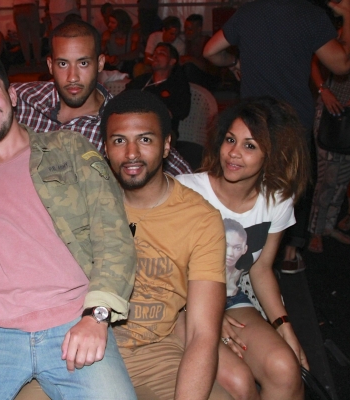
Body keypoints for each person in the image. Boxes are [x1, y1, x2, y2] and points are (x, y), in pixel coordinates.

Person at [0, 48, 137, 399]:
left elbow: (114, 237)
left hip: (73, 321)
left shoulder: (68, 149)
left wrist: (96, 316)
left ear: (12, 95)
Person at [203, 0, 350, 273]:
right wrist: (348, 17)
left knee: (253, 187)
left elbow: (211, 51)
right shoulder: (310, 14)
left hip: (254, 123)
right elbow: (342, 64)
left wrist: (235, 62)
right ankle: (288, 252)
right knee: (289, 190)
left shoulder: (248, 12)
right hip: (291, 122)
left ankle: (244, 253)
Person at [177, 97, 311, 399]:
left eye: (249, 145)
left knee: (286, 368)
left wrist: (284, 327)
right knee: (239, 382)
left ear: (271, 154)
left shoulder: (277, 200)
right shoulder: (186, 190)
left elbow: (261, 269)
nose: (234, 153)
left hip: (231, 299)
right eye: (230, 140)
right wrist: (202, 312)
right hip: (179, 302)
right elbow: (161, 269)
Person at [103, 90, 227, 400]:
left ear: (167, 144)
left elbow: (202, 333)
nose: (131, 153)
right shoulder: (86, 200)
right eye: (119, 140)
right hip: (83, 346)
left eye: (145, 139)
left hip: (155, 354)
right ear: (105, 147)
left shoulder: (200, 219)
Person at [12, 20, 192, 177]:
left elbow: (184, 177)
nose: (72, 77)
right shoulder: (21, 99)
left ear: (100, 64)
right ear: (50, 65)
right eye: (63, 64)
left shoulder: (119, 121)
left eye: (83, 63)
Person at [308, 0, 350, 252]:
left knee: (343, 178)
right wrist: (323, 90)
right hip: (332, 112)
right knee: (327, 177)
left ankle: (328, 226)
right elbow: (313, 60)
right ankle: (315, 230)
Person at [127, 42, 191, 141]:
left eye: (161, 53)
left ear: (172, 61)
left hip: (161, 132)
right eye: (154, 53)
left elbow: (182, 110)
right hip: (133, 126)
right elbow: (123, 100)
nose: (155, 56)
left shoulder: (177, 84)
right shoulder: (141, 80)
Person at [181, 14, 218, 91]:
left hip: (210, 80)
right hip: (195, 78)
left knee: (189, 68)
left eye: (190, 30)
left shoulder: (209, 43)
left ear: (199, 29)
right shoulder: (188, 42)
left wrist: (191, 59)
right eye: (185, 29)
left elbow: (212, 70)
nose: (186, 32)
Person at [101, 9, 141, 76]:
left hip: (127, 66)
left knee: (131, 65)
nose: (109, 25)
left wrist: (119, 58)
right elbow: (99, 51)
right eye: (109, 22)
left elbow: (135, 54)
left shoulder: (133, 35)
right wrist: (106, 58)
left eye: (113, 23)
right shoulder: (107, 35)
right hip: (112, 66)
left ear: (121, 24)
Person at [13, 0, 42, 66]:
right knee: (35, 36)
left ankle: (27, 61)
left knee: (23, 37)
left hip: (17, 7)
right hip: (30, 6)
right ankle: (38, 60)